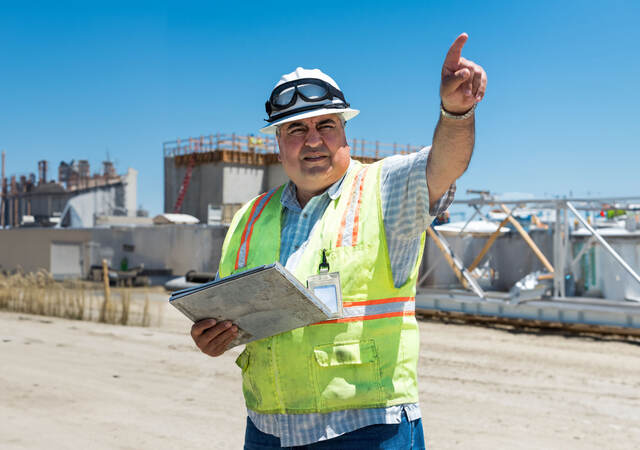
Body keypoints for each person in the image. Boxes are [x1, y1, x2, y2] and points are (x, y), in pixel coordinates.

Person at [191, 33, 487, 449]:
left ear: (345, 132)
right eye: (296, 129)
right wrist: (212, 338)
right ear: (278, 143)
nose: (313, 140)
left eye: (325, 125)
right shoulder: (249, 217)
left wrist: (456, 113)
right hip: (268, 430)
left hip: (368, 429)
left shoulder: (386, 189)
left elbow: (445, 163)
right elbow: (231, 316)